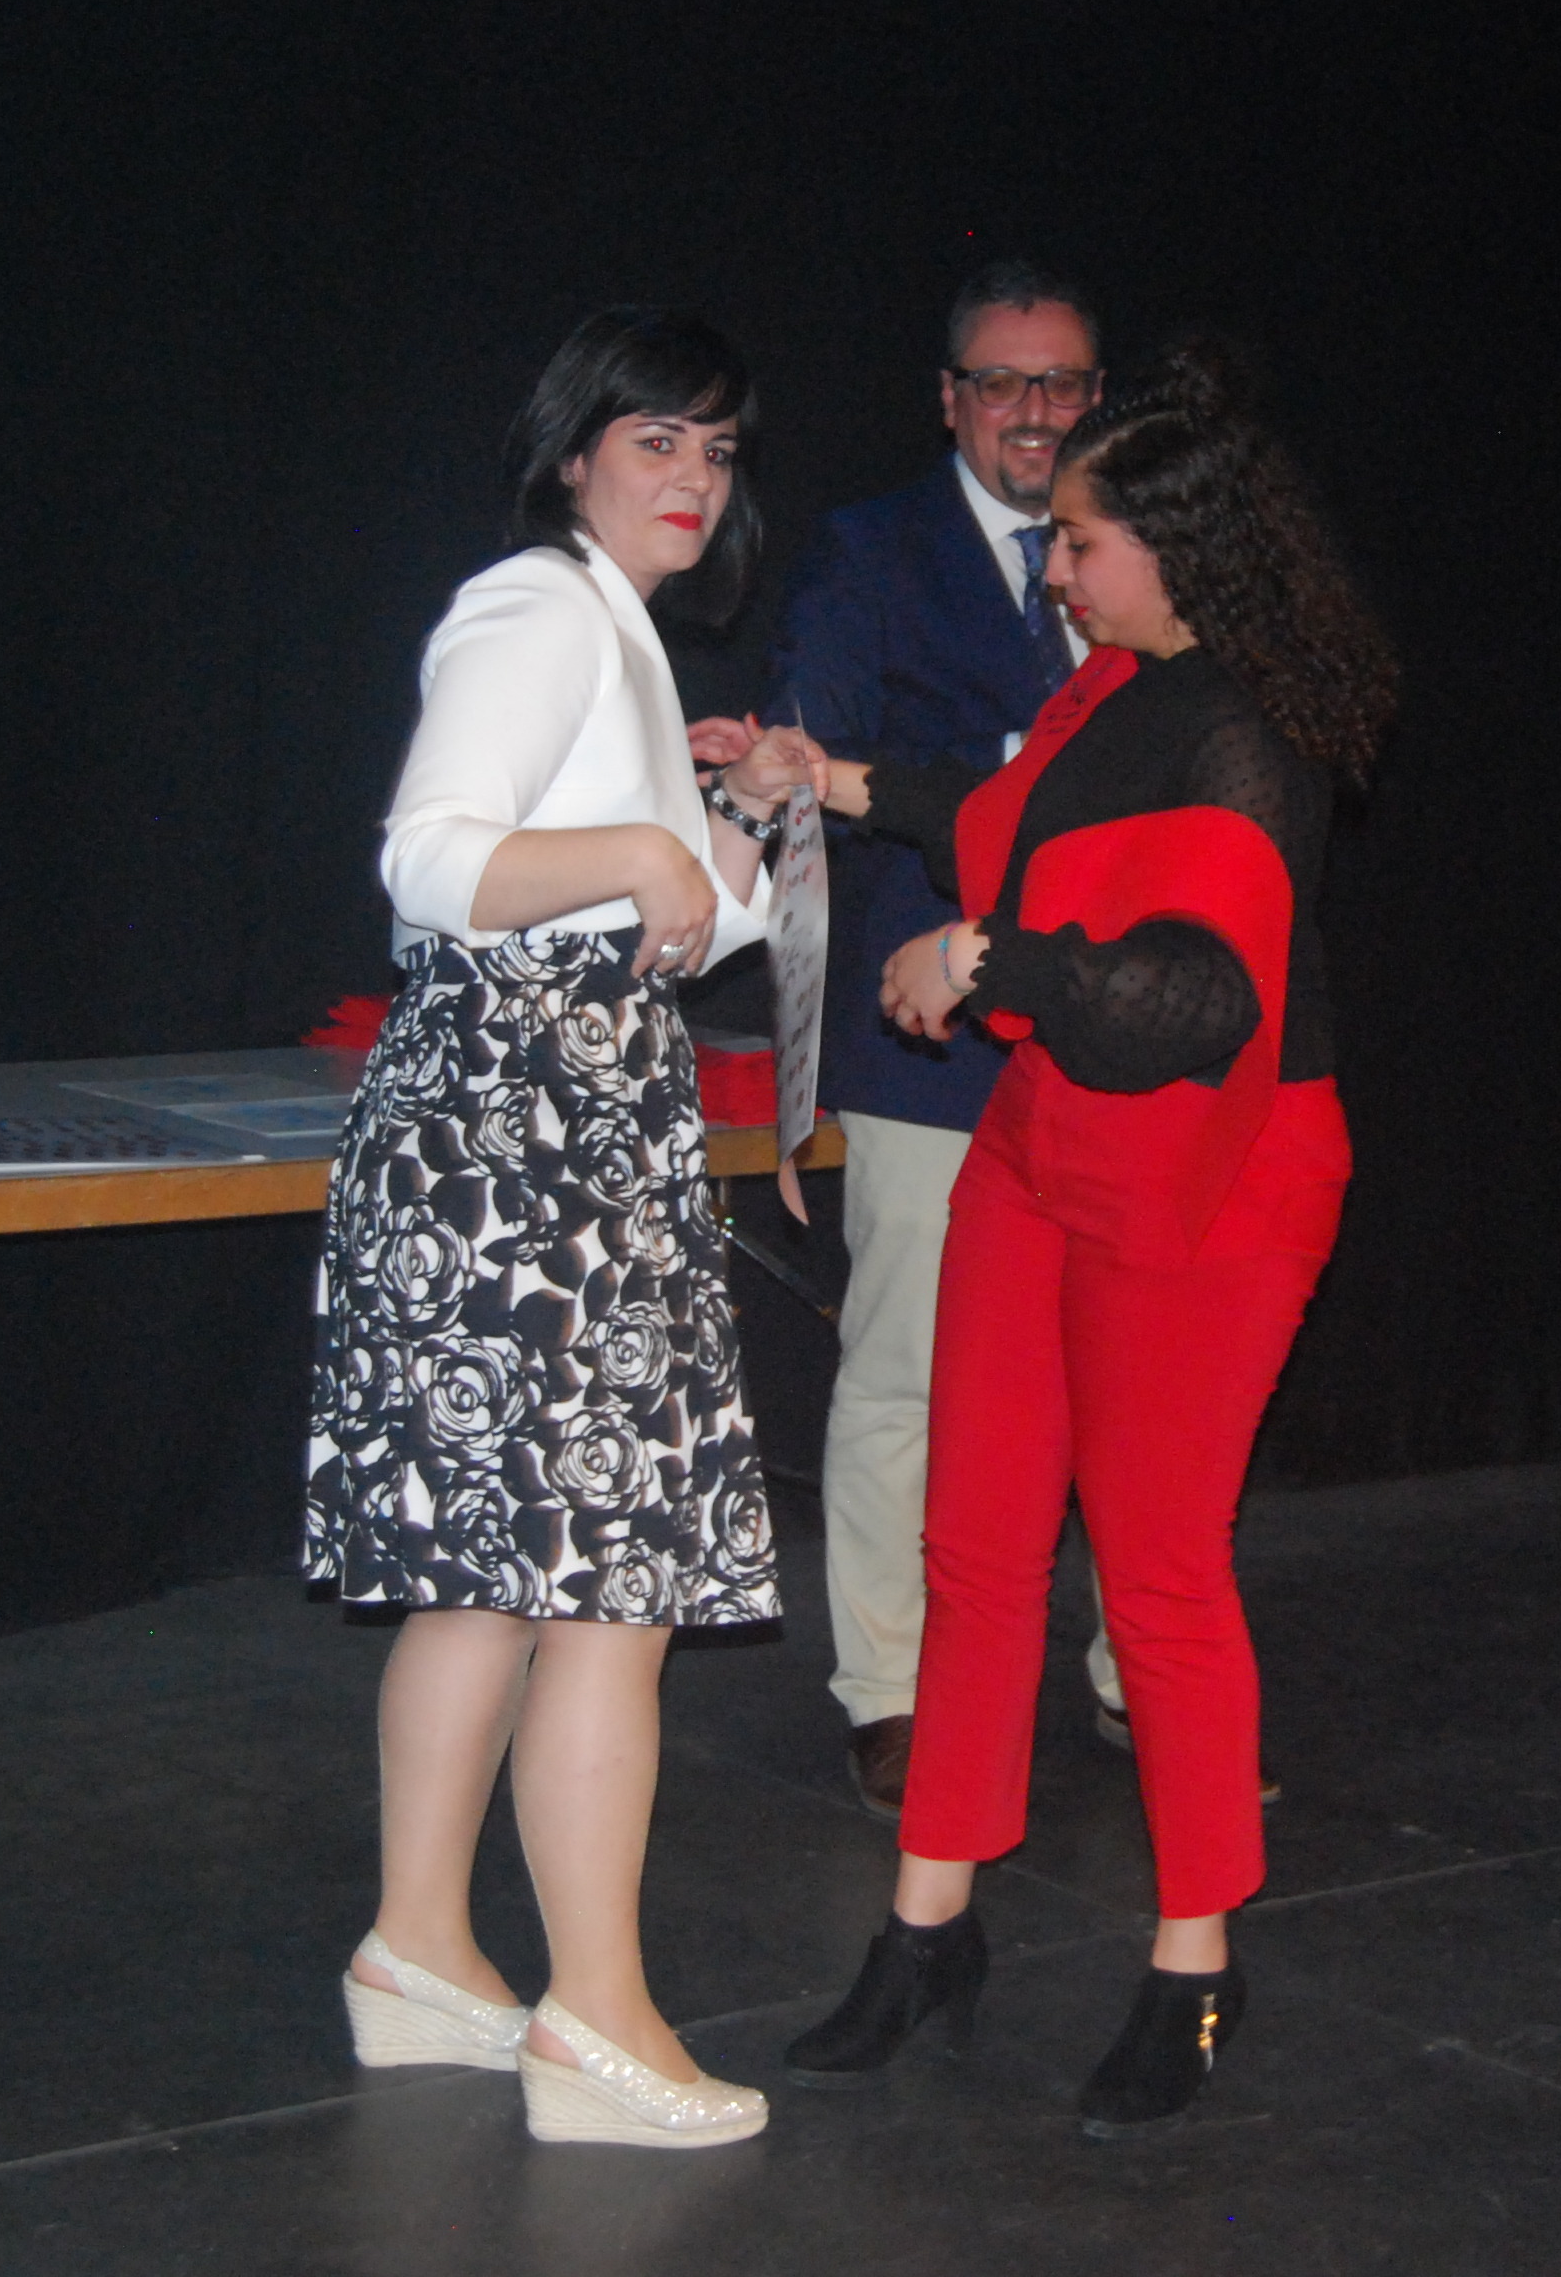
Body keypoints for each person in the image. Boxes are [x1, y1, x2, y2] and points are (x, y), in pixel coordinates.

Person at [778, 341, 1396, 2136]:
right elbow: (995, 822)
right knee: (974, 1542)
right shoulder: (1105, 690)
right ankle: (928, 1923)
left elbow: (1190, 1004)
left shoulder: (1244, 738)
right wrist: (825, 777)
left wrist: (988, 961)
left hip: (1215, 1173)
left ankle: (1194, 1956)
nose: (1052, 571)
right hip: (1051, 1144)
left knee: (1157, 1568)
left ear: (1177, 551)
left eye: (1078, 542)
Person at [303, 307, 824, 2148]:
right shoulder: (537, 607)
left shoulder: (607, 629)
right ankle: (593, 2018)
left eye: (718, 451)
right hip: (527, 1144)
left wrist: (726, 817)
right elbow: (430, 858)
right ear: (577, 450)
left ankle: (418, 1950)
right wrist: (634, 849)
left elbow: (688, 926)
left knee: (491, 1583)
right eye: (657, 440)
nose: (694, 478)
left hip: (537, 1131)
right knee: (611, 1592)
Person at [769, 261, 1121, 1815]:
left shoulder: (1148, 548)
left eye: (1063, 382)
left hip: (1114, 1028)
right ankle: (892, 1693)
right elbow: (823, 760)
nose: (1034, 411)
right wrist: (1032, 764)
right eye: (1002, 382)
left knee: (1127, 1376)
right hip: (933, 1041)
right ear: (949, 400)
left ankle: (1139, 1668)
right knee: (908, 1372)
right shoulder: (869, 552)